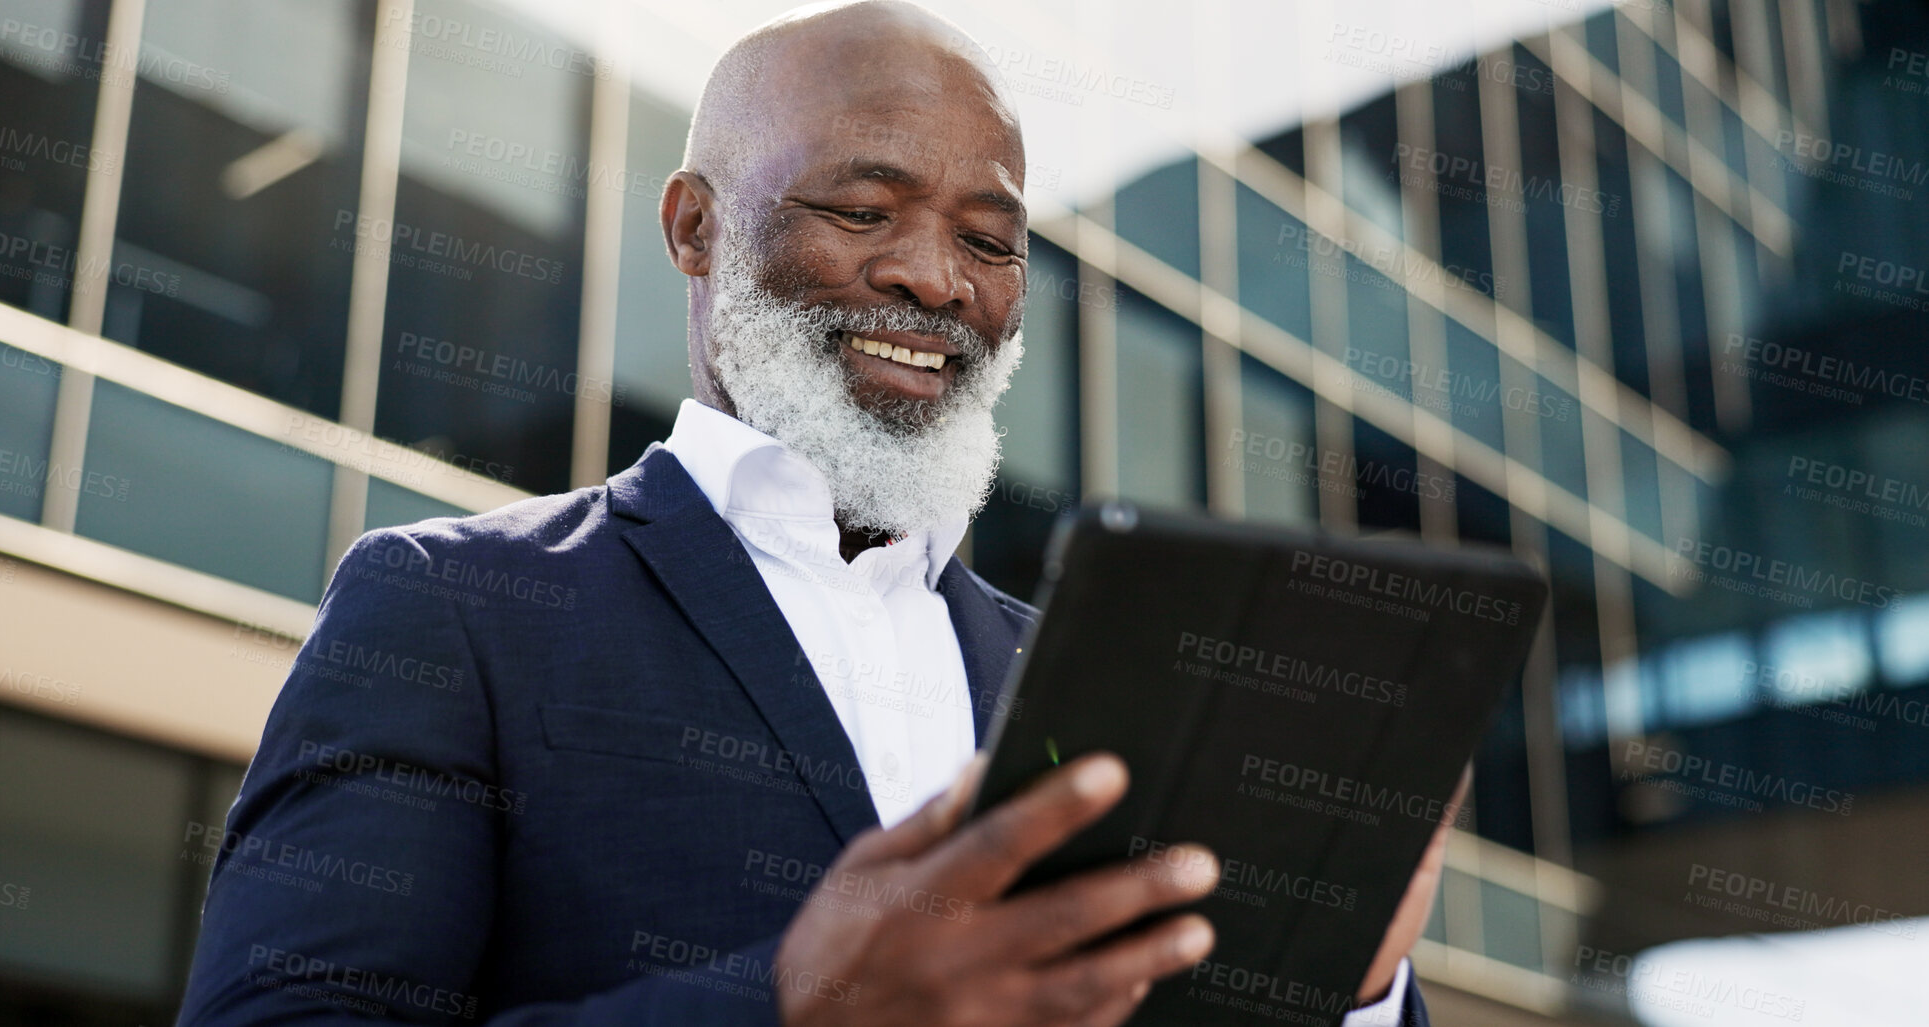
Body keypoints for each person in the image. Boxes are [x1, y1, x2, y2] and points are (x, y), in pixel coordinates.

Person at [175, 3, 1448, 1024]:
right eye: (862, 210)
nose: (933, 276)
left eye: (990, 240)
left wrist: (1346, 987)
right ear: (695, 228)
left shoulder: (1084, 679)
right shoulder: (451, 607)